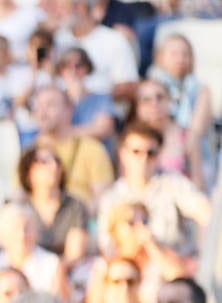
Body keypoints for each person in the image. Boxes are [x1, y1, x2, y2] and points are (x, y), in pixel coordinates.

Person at [97, 119, 211, 257]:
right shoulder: (111, 198)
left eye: (150, 153)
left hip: (173, 268)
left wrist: (201, 254)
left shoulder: (173, 183)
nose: (144, 159)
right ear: (123, 154)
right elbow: (106, 246)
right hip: (132, 270)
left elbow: (205, 213)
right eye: (136, 151)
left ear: (159, 155)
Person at [52, 0, 139, 102]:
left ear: (81, 7)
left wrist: (90, 99)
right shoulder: (57, 40)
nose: (57, 13)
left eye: (62, 7)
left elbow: (128, 87)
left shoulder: (113, 40)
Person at [28, 85, 114, 204]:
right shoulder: (30, 152)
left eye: (50, 105)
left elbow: (102, 199)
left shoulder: (92, 149)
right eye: (38, 107)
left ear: (69, 110)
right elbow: (19, 195)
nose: (42, 112)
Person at [151, 33, 217, 189]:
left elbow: (195, 131)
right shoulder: (153, 87)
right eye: (174, 54)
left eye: (185, 54)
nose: (180, 59)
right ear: (161, 57)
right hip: (160, 153)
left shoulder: (201, 89)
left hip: (194, 156)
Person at [17, 145, 89, 266]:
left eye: (56, 161)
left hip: (67, 272)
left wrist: (55, 271)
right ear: (28, 173)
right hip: (27, 269)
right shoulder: (19, 207)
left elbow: (75, 254)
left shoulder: (75, 207)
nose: (53, 166)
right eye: (44, 162)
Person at [0, 202, 68, 300]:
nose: (22, 235)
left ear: (37, 231)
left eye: (27, 228)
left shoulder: (52, 264)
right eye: (15, 228)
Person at [54, 47, 117, 148]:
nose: (73, 70)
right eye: (67, 66)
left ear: (87, 68)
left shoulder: (102, 98)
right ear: (61, 70)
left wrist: (64, 133)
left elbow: (102, 130)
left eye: (78, 66)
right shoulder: (55, 99)